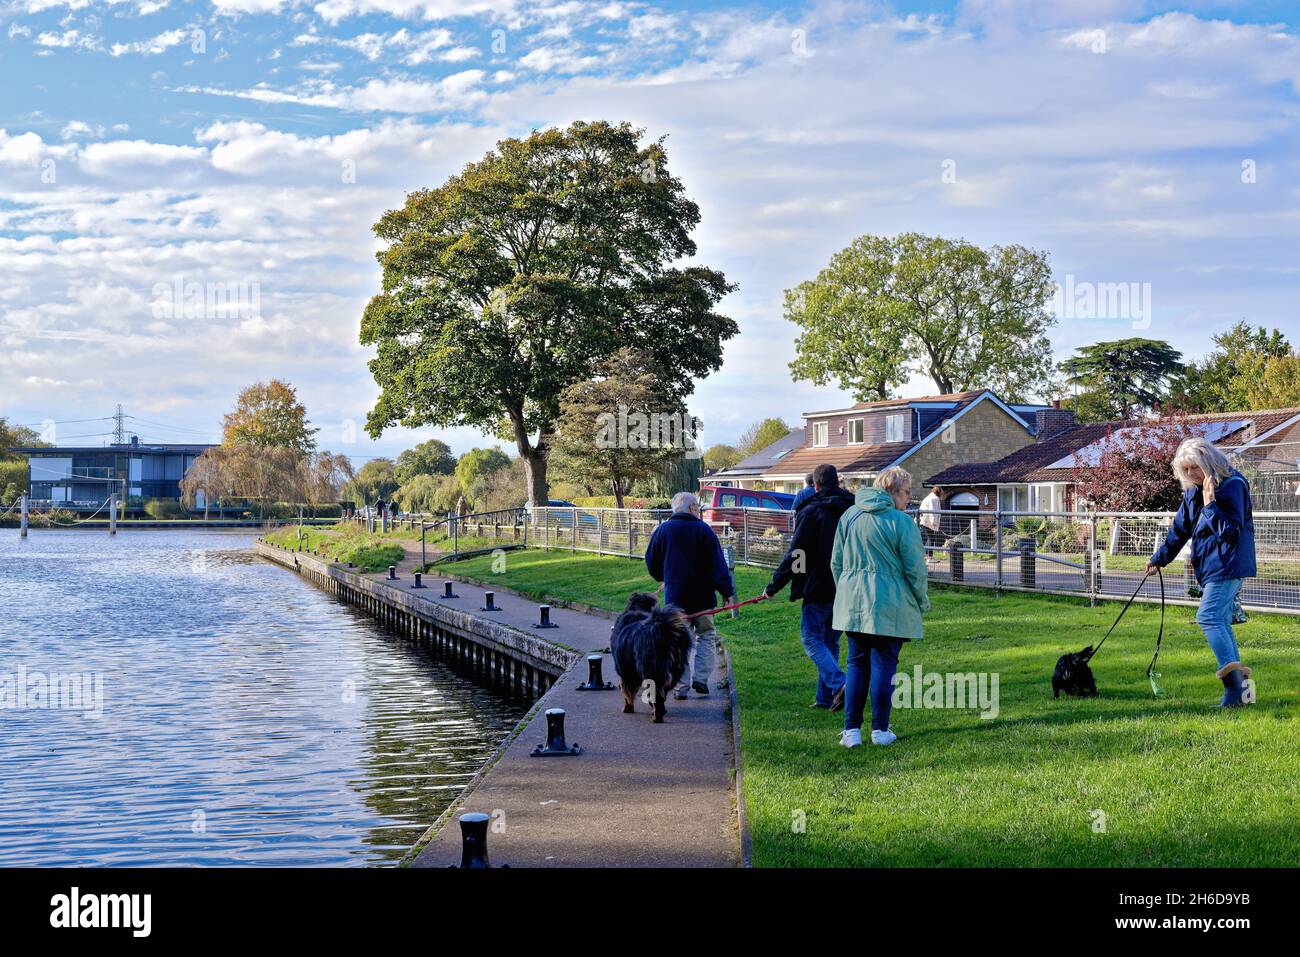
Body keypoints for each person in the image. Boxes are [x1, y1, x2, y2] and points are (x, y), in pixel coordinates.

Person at [1147, 438, 1257, 707]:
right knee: (1219, 621)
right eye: (1185, 471)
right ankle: (1242, 694)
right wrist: (1159, 559)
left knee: (1208, 617)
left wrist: (1210, 506)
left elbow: (1231, 534)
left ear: (1208, 462)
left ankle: (1234, 693)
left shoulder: (1233, 486)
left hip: (1228, 565)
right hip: (1212, 567)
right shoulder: (1194, 490)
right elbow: (1180, 528)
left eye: (1194, 468)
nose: (1191, 475)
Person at [831, 466, 930, 748]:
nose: (909, 498)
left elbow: (836, 562)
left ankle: (851, 731)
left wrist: (847, 589)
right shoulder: (901, 523)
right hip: (889, 604)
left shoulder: (849, 516)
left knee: (856, 664)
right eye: (907, 492)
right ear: (892, 491)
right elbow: (915, 569)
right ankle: (880, 729)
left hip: (853, 603)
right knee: (885, 664)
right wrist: (921, 599)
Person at [763, 463, 855, 710]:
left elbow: (798, 555)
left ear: (815, 486)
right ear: (838, 482)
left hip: (818, 584)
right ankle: (826, 698)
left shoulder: (812, 511)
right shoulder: (854, 509)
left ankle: (841, 683)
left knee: (812, 639)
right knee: (830, 641)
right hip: (846, 584)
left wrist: (774, 586)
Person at [645, 491, 735, 699]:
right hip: (702, 598)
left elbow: (651, 561)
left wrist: (663, 575)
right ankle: (701, 679)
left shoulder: (662, 530)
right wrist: (726, 591)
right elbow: (718, 565)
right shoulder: (705, 531)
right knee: (706, 636)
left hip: (675, 598)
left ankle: (680, 686)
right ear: (693, 508)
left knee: (677, 642)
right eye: (697, 507)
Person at [918, 485, 945, 554]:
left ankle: (927, 555)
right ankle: (929, 556)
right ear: (938, 492)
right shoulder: (934, 499)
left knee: (930, 538)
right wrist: (934, 522)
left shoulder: (930, 497)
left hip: (924, 521)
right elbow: (932, 510)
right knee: (931, 538)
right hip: (928, 522)